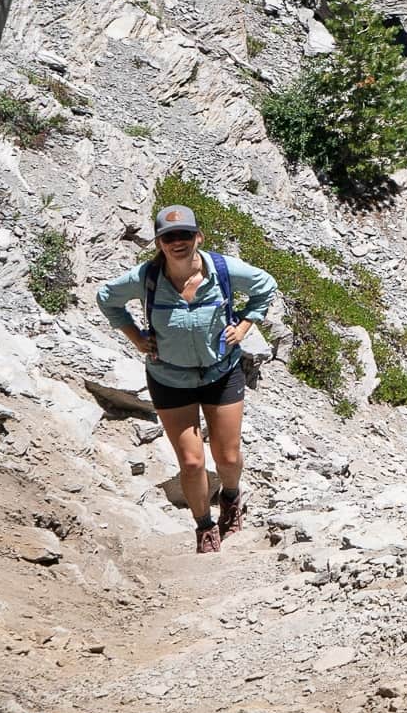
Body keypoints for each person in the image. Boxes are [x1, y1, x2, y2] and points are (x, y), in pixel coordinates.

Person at [97, 205, 277, 554]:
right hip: (169, 377)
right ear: (159, 242)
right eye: (168, 237)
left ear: (198, 237)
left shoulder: (222, 270)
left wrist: (243, 326)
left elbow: (265, 286)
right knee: (192, 462)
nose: (177, 242)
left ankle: (230, 495)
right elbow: (107, 299)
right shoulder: (145, 278)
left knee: (227, 456)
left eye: (184, 235)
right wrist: (136, 337)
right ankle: (204, 526)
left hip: (221, 373)